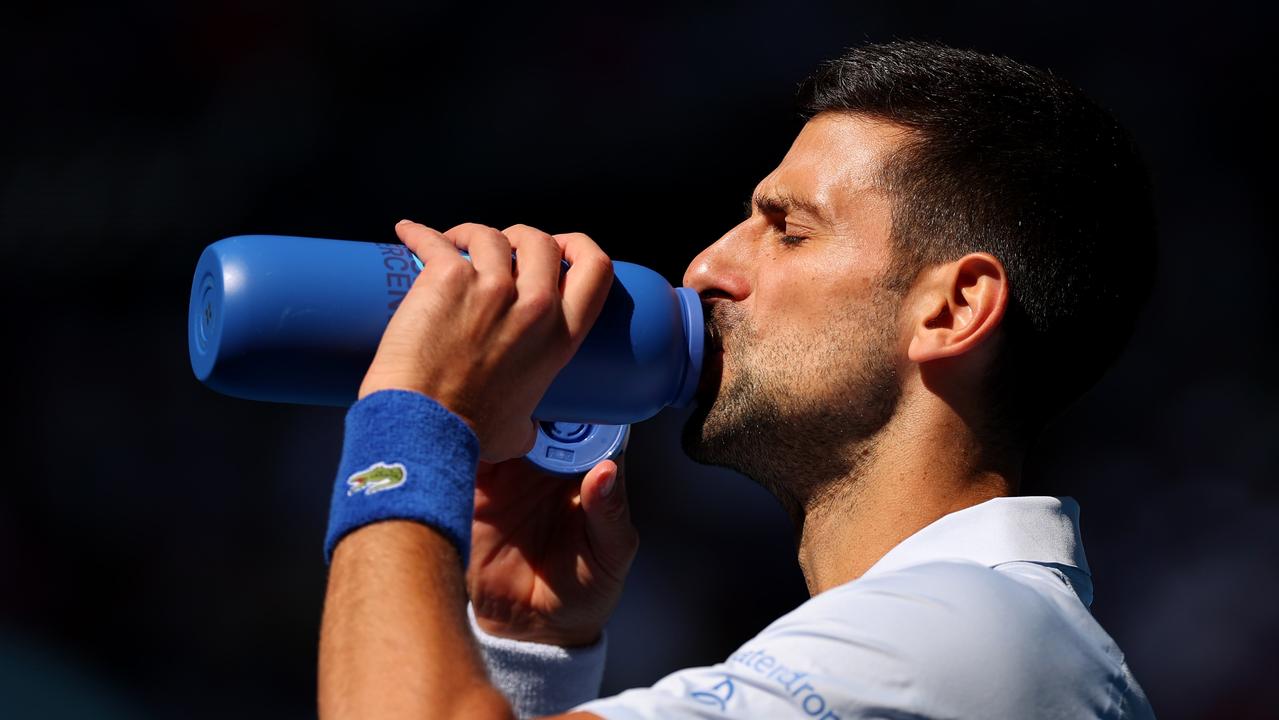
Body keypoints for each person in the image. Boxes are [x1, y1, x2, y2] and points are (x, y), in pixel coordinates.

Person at [316, 40, 1157, 719]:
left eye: (787, 230)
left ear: (951, 309)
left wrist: (414, 422)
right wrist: (521, 647)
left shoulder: (967, 634)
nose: (706, 265)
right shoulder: (960, 640)